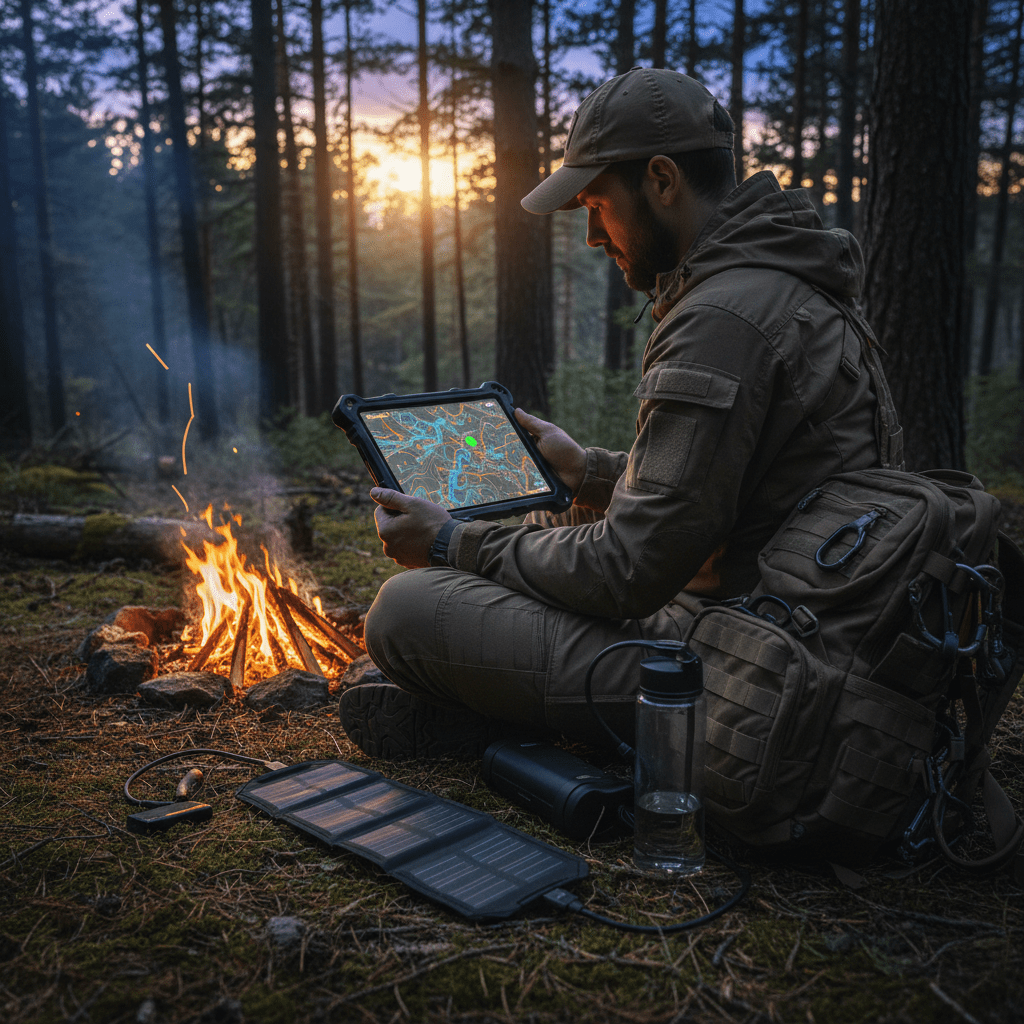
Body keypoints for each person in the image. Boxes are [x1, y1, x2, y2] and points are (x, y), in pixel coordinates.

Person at [338, 67, 884, 759]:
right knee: (553, 515)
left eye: (597, 204)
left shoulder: (721, 318)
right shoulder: (783, 280)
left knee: (402, 612)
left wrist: (449, 543)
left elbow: (629, 568)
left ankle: (508, 721)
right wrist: (589, 472)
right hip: (788, 608)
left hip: (742, 661)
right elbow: (735, 487)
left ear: (662, 180)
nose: (593, 235)